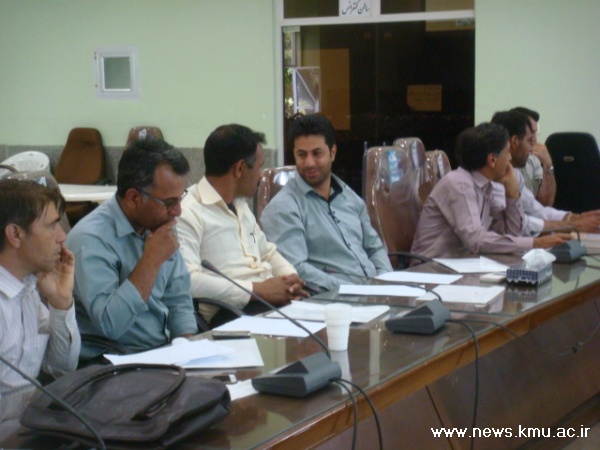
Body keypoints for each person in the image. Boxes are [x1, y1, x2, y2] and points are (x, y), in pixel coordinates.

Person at [67, 139, 197, 360]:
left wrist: (187, 349)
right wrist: (151, 260)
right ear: (134, 198)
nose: (178, 211)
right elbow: (110, 324)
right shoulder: (90, 240)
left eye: (180, 198)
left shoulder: (158, 224)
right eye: (169, 202)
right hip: (114, 361)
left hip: (163, 354)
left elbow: (179, 299)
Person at [177, 124, 306, 326]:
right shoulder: (188, 212)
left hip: (269, 304)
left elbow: (267, 253)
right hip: (232, 313)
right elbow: (189, 281)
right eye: (259, 167)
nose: (262, 175)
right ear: (240, 169)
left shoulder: (240, 204)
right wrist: (256, 290)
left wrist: (290, 280)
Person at [261, 114, 392, 291]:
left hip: (374, 292)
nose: (309, 163)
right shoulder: (283, 208)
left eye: (317, 153)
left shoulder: (349, 197)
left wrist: (386, 282)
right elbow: (295, 269)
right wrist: (355, 290)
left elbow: (374, 248)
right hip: (331, 299)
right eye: (302, 155)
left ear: (332, 152)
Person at [410, 123, 571, 259]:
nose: (510, 159)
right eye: (507, 152)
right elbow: (476, 240)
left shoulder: (487, 185)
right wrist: (536, 243)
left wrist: (512, 194)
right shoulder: (458, 184)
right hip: (429, 269)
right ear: (492, 159)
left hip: (460, 267)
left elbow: (512, 234)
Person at [0, 179, 80, 395]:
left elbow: (61, 368)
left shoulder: (29, 286)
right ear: (15, 234)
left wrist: (61, 302)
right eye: (52, 226)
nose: (62, 236)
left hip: (33, 412)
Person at [491, 110, 600, 236]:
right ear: (514, 141)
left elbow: (536, 210)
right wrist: (574, 225)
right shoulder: (491, 176)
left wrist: (576, 218)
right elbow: (519, 225)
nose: (532, 146)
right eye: (529, 140)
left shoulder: (512, 172)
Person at [511, 107, 556, 206]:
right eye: (531, 133)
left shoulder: (533, 157)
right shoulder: (501, 164)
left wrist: (548, 165)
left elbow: (545, 203)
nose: (534, 139)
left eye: (535, 132)